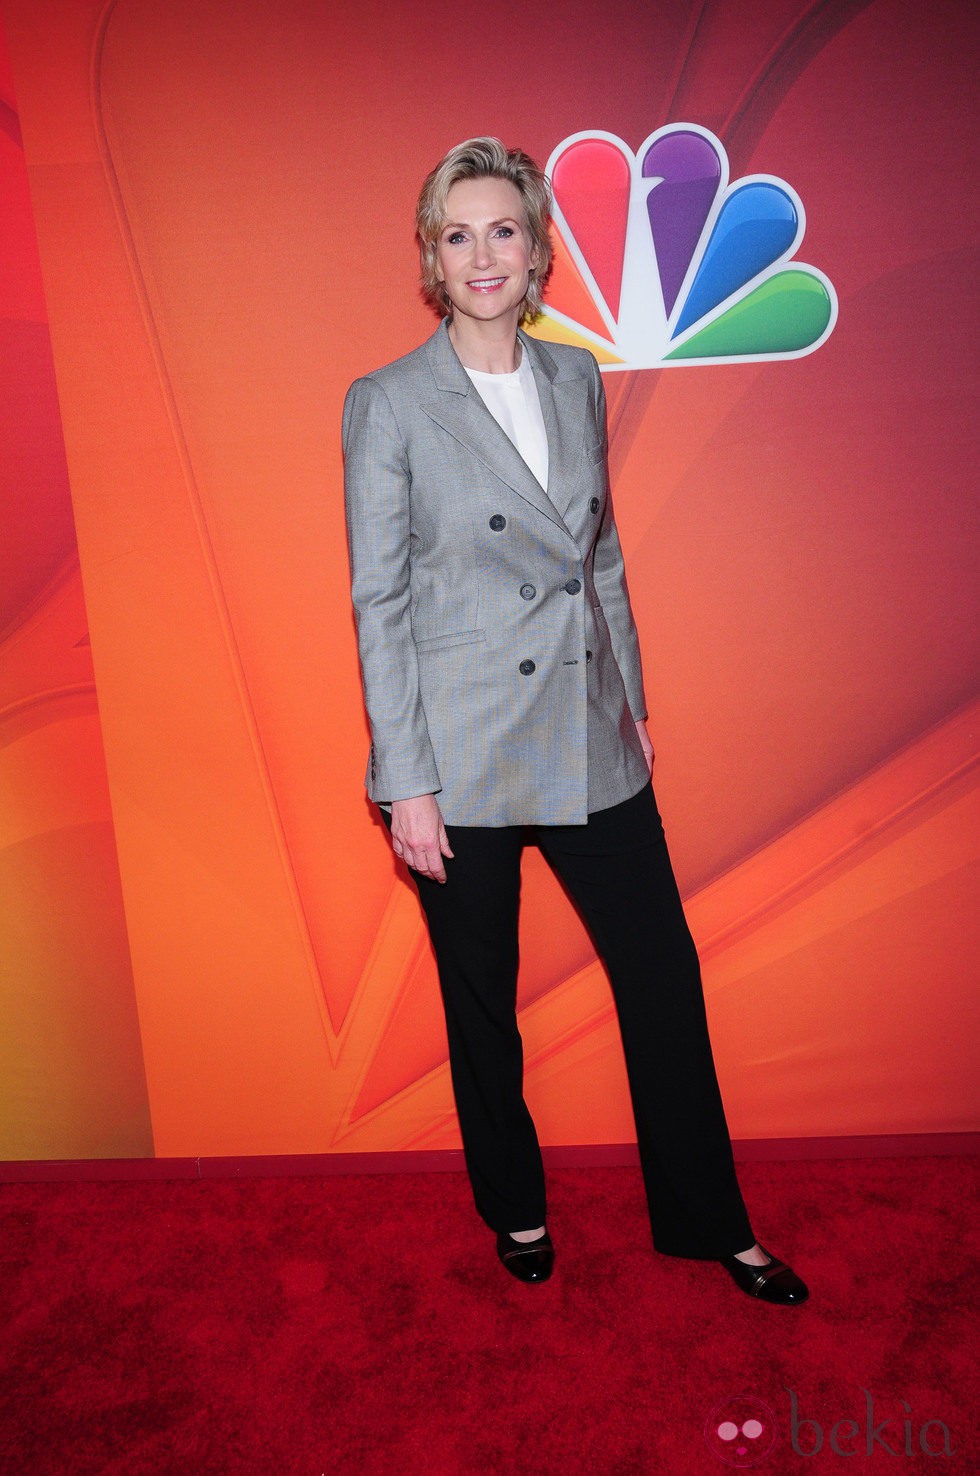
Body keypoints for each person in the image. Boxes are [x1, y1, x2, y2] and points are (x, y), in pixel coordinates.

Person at [342, 137, 808, 1304]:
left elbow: (597, 560)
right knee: (481, 1006)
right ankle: (516, 1208)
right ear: (430, 262)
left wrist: (631, 702)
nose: (482, 254)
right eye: (457, 235)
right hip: (459, 758)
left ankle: (711, 1221)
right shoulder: (387, 403)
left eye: (502, 229)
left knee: (660, 977)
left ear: (537, 247)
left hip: (590, 733)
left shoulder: (572, 378)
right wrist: (405, 779)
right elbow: (379, 601)